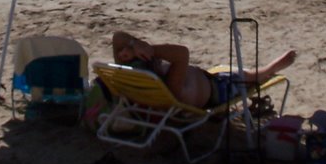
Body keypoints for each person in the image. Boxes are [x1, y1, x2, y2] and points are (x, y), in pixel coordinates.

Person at [111, 31, 297, 109]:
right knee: (249, 76)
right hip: (218, 89)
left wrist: (134, 44)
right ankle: (267, 70)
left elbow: (117, 37)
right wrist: (147, 49)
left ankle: (261, 71)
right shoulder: (172, 87)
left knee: (229, 71)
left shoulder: (135, 80)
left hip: (206, 78)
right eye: (155, 62)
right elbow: (183, 53)